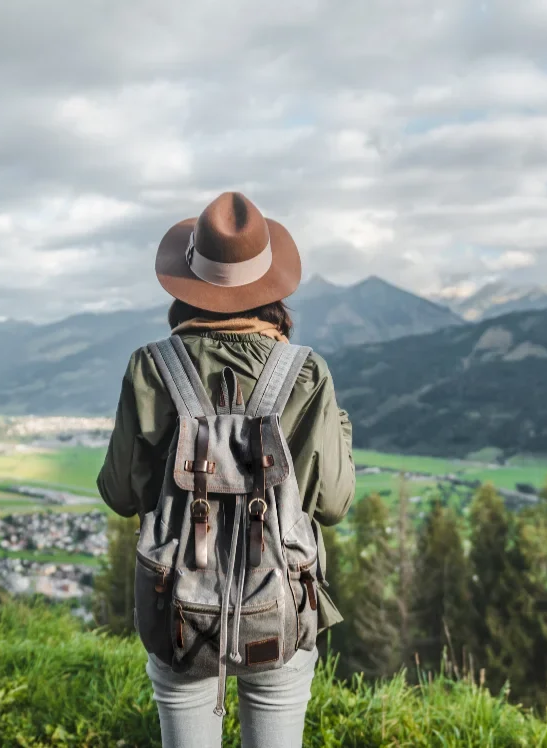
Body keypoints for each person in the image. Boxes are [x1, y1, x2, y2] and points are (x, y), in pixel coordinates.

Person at [97, 191, 355, 748]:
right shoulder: (306, 373)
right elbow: (333, 503)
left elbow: (119, 492)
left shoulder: (150, 367)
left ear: (189, 282)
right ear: (271, 284)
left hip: (178, 609)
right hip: (280, 602)